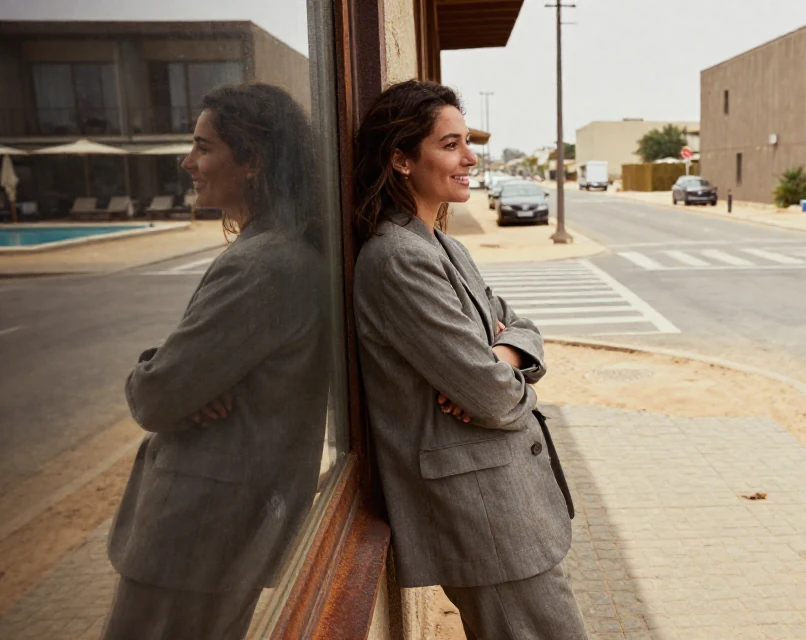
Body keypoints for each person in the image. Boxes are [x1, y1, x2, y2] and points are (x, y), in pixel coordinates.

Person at [352, 79, 585, 639]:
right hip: (485, 515)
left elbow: (521, 327)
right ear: (402, 159)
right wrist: (498, 378)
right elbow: (493, 398)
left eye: (466, 142)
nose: (470, 158)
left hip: (505, 505)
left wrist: (502, 353)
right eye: (450, 144)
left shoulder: (442, 245)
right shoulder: (396, 259)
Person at [104, 82, 330, 640]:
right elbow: (181, 385)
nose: (188, 162)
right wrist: (186, 382)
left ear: (253, 160)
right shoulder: (286, 250)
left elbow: (156, 396)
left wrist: (159, 373)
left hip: (197, 530)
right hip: (225, 527)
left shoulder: (263, 265)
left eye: (203, 147)